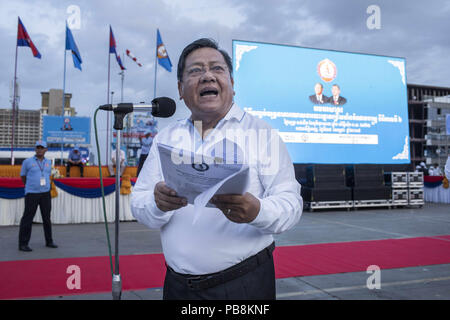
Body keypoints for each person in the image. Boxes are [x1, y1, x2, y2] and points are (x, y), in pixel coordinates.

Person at [130, 38, 303, 300]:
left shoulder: (262, 134)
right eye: (195, 70)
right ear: (180, 88)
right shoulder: (166, 138)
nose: (207, 76)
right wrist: (157, 203)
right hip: (177, 288)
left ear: (232, 84)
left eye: (217, 68)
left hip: (244, 286)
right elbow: (139, 203)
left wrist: (258, 211)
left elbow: (291, 203)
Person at [18, 141, 57, 252]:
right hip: (32, 194)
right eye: (38, 147)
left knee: (47, 218)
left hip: (45, 193)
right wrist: (30, 186)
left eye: (42, 148)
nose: (39, 149)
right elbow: (23, 176)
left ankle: (49, 241)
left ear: (46, 150)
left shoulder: (48, 162)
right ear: (35, 149)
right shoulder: (27, 162)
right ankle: (23, 244)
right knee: (27, 218)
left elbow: (47, 175)